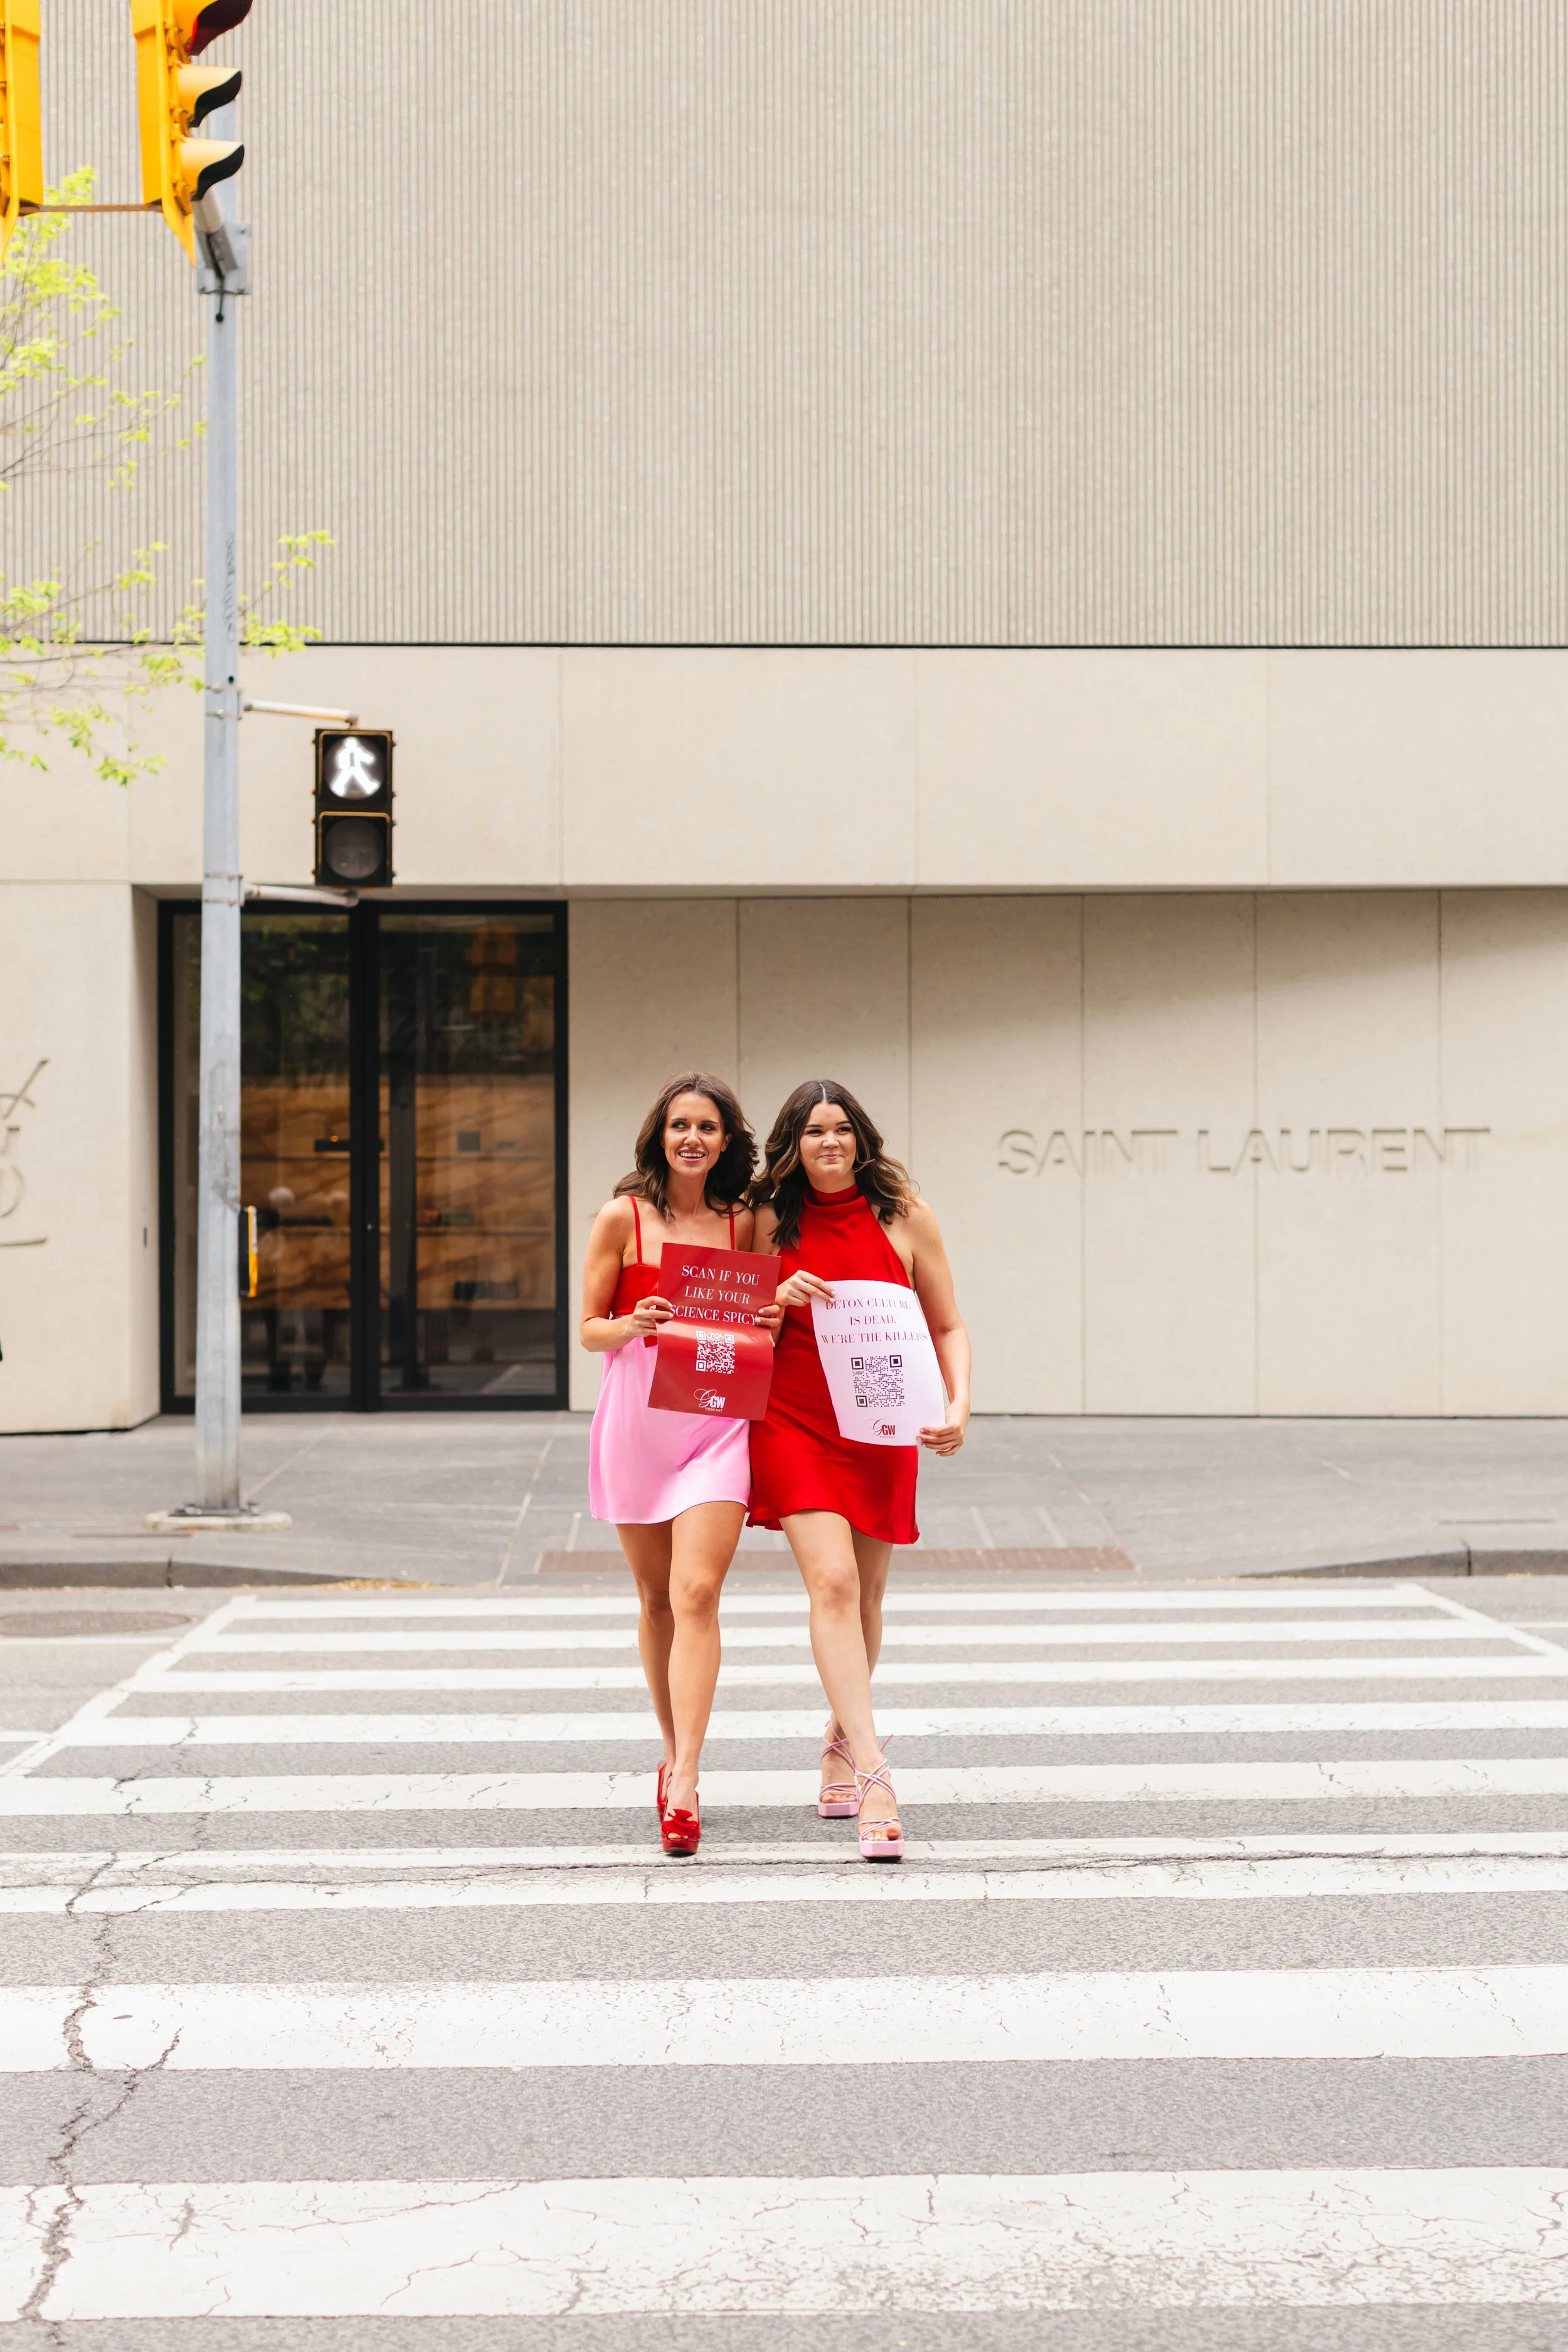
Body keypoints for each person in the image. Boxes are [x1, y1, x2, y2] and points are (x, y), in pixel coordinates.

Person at [749, 1081, 970, 1860]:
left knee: (869, 1597)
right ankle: (876, 1770)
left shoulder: (904, 1216)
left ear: (862, 1139)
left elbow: (945, 1322)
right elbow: (725, 1318)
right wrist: (772, 1295)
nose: (829, 1143)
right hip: (794, 1419)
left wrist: (960, 1402)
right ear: (792, 1144)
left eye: (841, 1129)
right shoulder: (764, 1220)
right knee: (834, 1585)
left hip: (881, 1424)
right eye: (812, 1132)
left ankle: (841, 1737)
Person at [581, 1071, 759, 1856]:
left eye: (709, 1127)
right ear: (661, 1132)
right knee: (656, 1598)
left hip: (716, 1420)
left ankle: (685, 1776)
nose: (693, 1138)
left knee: (697, 1591)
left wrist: (770, 1312)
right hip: (638, 1423)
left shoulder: (741, 1221)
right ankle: (669, 1748)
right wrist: (629, 1321)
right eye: (681, 1124)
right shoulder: (621, 1217)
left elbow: (762, 1319)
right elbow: (587, 1329)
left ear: (726, 1142)